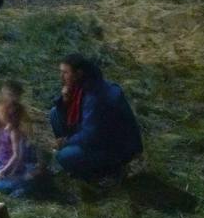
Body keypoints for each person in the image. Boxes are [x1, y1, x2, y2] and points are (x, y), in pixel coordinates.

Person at [47, 54, 143, 182]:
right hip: (97, 136)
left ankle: (105, 172)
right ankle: (77, 160)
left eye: (65, 73)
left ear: (78, 74)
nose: (61, 77)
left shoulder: (96, 97)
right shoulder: (81, 86)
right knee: (55, 113)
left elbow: (91, 135)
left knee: (63, 157)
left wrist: (66, 141)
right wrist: (64, 100)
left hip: (114, 148)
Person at [0, 81, 37, 195]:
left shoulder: (14, 132)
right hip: (0, 162)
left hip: (11, 167)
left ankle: (22, 182)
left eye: (0, 113)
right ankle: (0, 177)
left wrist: (4, 171)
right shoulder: (4, 129)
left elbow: (17, 155)